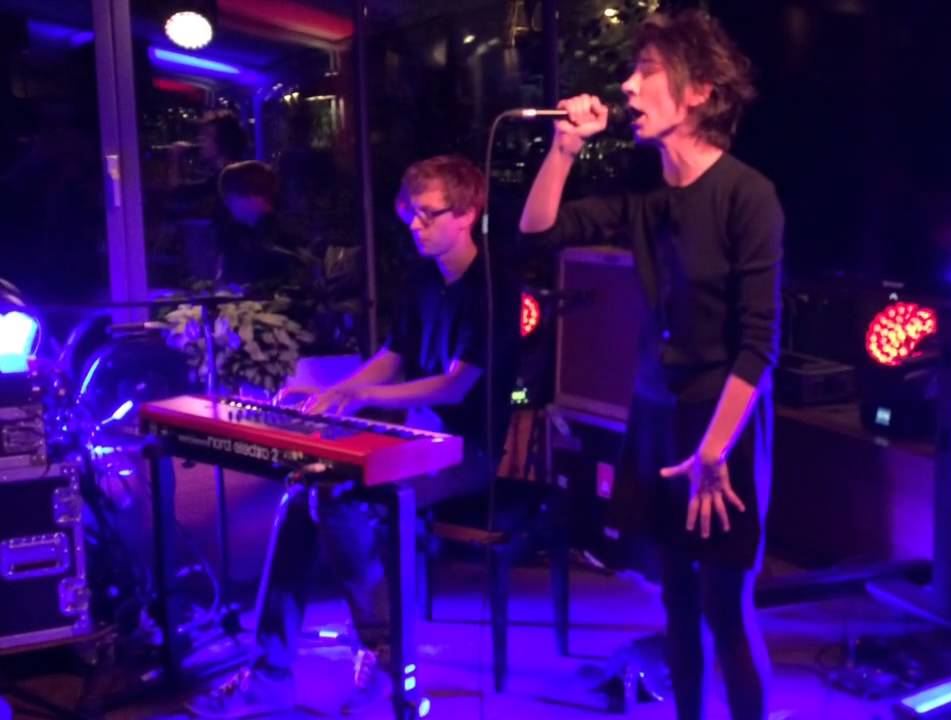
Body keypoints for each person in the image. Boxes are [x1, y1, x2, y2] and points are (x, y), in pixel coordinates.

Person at [518, 10, 782, 720]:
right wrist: (564, 149)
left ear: (699, 91)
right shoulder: (645, 194)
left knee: (725, 607)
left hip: (721, 423)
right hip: (657, 415)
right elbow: (537, 230)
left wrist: (714, 451)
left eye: (648, 71)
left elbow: (759, 343)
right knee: (677, 601)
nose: (629, 86)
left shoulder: (747, 194)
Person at [187, 154, 520, 718]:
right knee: (301, 493)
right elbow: (393, 355)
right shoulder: (424, 276)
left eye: (429, 214)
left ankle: (384, 655)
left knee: (341, 499)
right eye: (410, 215)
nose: (415, 226)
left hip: (469, 452)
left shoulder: (493, 288)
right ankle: (270, 674)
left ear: (467, 215)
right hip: (416, 438)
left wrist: (362, 396)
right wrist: (335, 394)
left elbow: (454, 386)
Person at [214, 160, 299, 289]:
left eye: (231, 195)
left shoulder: (285, 236)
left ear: (254, 196)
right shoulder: (237, 235)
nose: (227, 203)